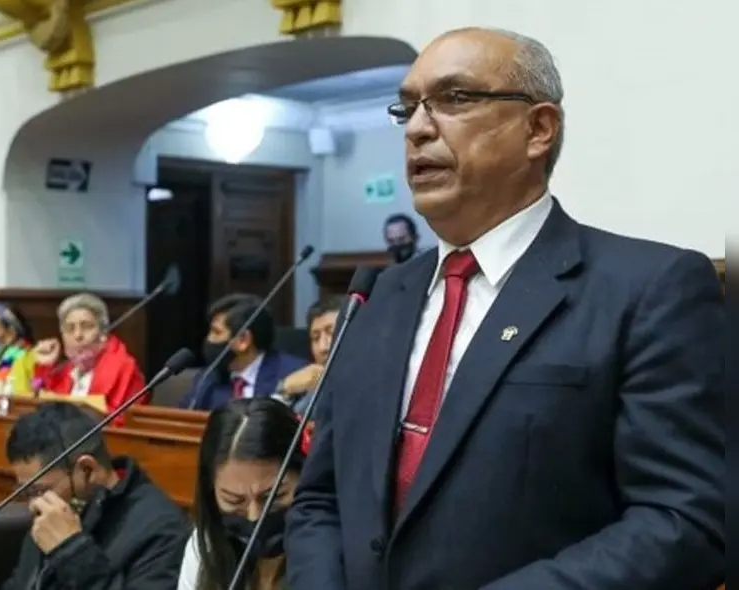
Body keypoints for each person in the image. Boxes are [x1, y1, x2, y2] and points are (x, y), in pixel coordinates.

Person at [286, 27, 724, 590]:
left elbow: (685, 520)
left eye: (454, 98)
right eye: (409, 106)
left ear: (538, 129)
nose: (418, 128)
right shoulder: (381, 296)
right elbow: (322, 496)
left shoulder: (649, 288)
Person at [2, 402, 189, 590]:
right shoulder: (52, 509)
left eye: (38, 490)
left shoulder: (162, 530)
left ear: (87, 470)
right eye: (24, 491)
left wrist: (71, 551)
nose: (33, 504)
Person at [178, 398, 306, 590]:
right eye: (234, 501)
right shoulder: (206, 545)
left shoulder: (335, 550)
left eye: (273, 497)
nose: (254, 516)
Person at [178, 294, 307, 411]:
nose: (209, 340)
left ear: (243, 340)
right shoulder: (208, 379)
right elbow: (184, 420)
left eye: (217, 332)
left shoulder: (293, 373)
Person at [33, 293, 146, 419]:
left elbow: (123, 424)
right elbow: (40, 408)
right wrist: (45, 368)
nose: (78, 335)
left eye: (86, 327)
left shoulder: (124, 368)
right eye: (70, 329)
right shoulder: (64, 370)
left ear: (103, 333)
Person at [273, 296, 344, 414]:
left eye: (331, 333)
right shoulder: (307, 385)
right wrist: (285, 390)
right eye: (315, 338)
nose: (323, 347)